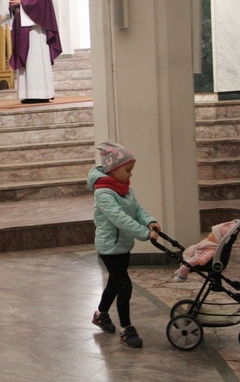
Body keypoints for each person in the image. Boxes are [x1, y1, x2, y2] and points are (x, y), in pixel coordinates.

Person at [87, 140, 162, 348]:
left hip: (122, 245)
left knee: (114, 282)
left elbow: (136, 210)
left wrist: (149, 221)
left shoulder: (124, 189)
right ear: (113, 170)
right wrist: (144, 234)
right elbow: (119, 218)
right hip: (109, 247)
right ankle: (127, 329)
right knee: (124, 285)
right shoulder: (104, 193)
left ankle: (101, 315)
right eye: (128, 170)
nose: (131, 175)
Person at [9, 0, 62, 104]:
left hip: (36, 32)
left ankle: (40, 93)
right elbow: (19, 3)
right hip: (25, 30)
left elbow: (38, 5)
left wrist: (21, 1)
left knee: (36, 60)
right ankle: (28, 94)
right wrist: (14, 4)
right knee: (28, 61)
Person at [171, 221, 237, 282]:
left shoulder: (213, 248)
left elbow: (207, 256)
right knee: (186, 262)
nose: (209, 234)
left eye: (212, 234)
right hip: (197, 256)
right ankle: (179, 271)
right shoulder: (209, 243)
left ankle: (182, 277)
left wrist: (202, 260)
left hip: (198, 260)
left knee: (187, 264)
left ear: (217, 238)